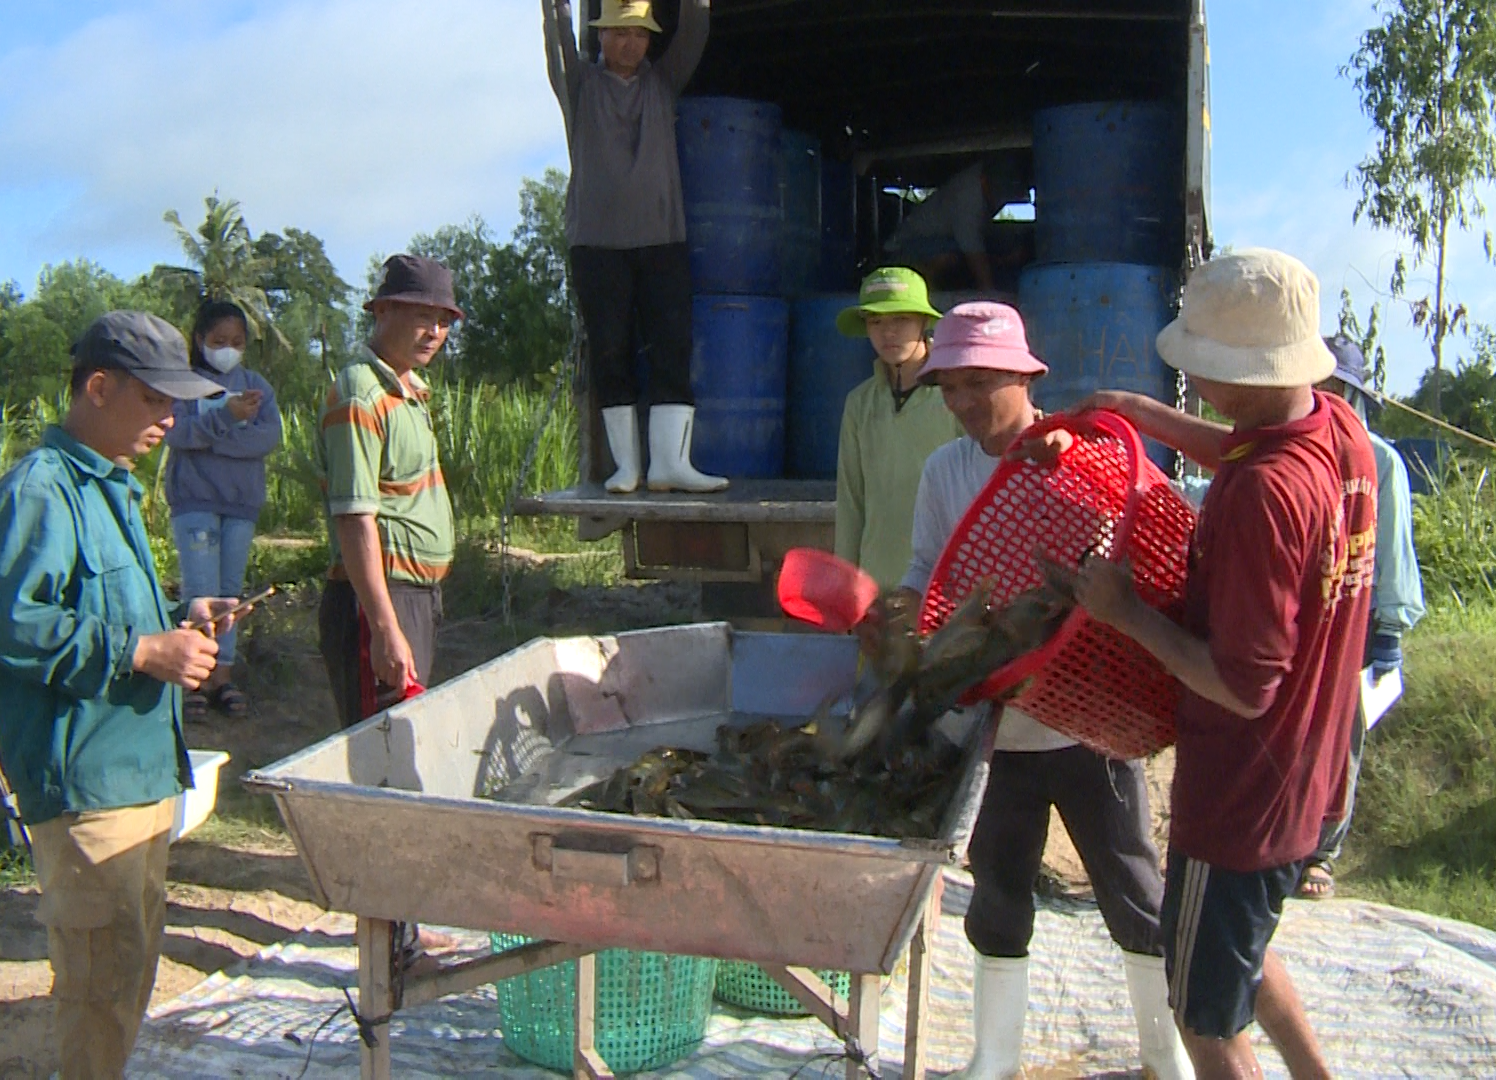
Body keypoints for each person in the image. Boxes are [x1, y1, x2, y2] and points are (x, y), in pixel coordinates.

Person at [1066, 249, 1377, 1078]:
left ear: (1238, 371)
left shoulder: (1258, 501)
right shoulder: (1336, 431)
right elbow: (1245, 450)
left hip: (1242, 796)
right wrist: (1142, 414)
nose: (1194, 385)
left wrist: (1124, 613)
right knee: (1243, 950)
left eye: (1202, 370)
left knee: (1204, 1015)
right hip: (1314, 775)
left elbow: (1243, 686)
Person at [894, 302, 1191, 1080]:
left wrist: (1060, 477)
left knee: (1133, 891)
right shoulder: (944, 471)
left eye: (979, 383)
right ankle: (993, 1060)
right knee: (997, 892)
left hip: (1092, 720)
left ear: (1025, 377)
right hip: (1000, 732)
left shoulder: (1080, 452)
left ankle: (1170, 1057)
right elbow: (928, 572)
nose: (961, 403)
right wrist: (906, 619)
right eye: (948, 388)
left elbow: (1145, 539)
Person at [0, 311, 245, 1079]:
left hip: (137, 781)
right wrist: (141, 649)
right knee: (98, 991)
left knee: (126, 973)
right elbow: (13, 620)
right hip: (86, 789)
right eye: (154, 400)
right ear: (98, 388)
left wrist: (179, 621)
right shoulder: (43, 489)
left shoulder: (113, 488)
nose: (171, 418)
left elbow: (93, 612)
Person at [542, 0, 726, 494]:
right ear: (600, 36)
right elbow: (558, 49)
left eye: (640, 34)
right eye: (619, 33)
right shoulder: (581, 87)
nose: (630, 43)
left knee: (672, 347)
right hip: (596, 244)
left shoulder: (663, 83)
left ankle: (671, 463)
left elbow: (695, 30)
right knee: (610, 350)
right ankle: (627, 467)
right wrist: (554, 10)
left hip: (663, 239)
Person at [1293, 336, 1425, 899]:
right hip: (1299, 616)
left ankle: (1322, 850)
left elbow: (1390, 545)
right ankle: (1282, 843)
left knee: (1340, 739)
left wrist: (1388, 629)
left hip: (1355, 621)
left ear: (1349, 392)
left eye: (1330, 387)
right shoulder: (1294, 451)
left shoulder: (1379, 460)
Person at [316, 254, 458, 732]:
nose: (435, 332)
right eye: (423, 317)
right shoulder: (363, 393)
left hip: (415, 596)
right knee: (380, 748)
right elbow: (355, 517)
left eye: (444, 321)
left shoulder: (410, 392)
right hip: (380, 599)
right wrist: (383, 627)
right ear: (382, 312)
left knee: (403, 738)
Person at [164, 299, 283, 720]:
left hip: (241, 505)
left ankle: (222, 677)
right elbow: (177, 435)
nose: (227, 348)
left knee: (230, 594)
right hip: (194, 502)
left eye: (236, 341)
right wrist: (227, 421)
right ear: (200, 340)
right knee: (201, 590)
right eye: (219, 340)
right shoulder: (185, 384)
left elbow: (267, 438)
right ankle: (191, 678)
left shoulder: (255, 386)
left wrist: (213, 436)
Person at [834, 267, 962, 590]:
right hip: (875, 584)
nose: (888, 333)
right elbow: (850, 503)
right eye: (876, 322)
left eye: (901, 320)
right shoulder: (859, 403)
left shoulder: (956, 395)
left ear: (924, 322)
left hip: (943, 584)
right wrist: (845, 585)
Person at [883, 157, 1031, 292]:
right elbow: (972, 247)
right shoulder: (966, 196)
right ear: (984, 180)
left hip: (950, 241)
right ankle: (924, 293)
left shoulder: (987, 184)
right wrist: (988, 291)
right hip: (907, 248)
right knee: (951, 256)